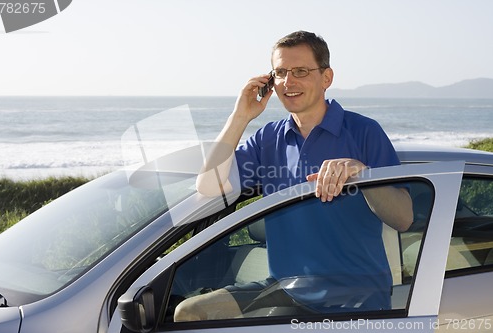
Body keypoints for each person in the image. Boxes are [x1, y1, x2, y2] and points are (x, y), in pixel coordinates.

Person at [174, 30, 413, 321]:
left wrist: (360, 172)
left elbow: (403, 218)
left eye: (300, 71)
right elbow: (208, 185)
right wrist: (241, 115)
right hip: (286, 290)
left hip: (356, 300)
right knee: (190, 312)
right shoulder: (267, 139)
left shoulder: (364, 132)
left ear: (326, 78)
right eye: (280, 72)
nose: (289, 82)